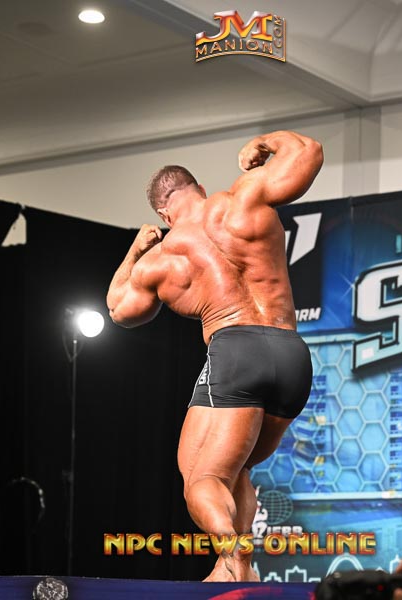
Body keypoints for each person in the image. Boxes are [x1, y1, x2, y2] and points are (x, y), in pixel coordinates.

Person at [106, 130, 323, 581]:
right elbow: (308, 152)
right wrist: (263, 143)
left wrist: (134, 251)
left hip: (237, 351)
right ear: (199, 188)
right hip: (292, 356)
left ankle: (232, 556)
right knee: (237, 466)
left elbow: (120, 310)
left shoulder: (163, 257)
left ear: (164, 213)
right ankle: (238, 571)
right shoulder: (244, 198)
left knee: (201, 480)